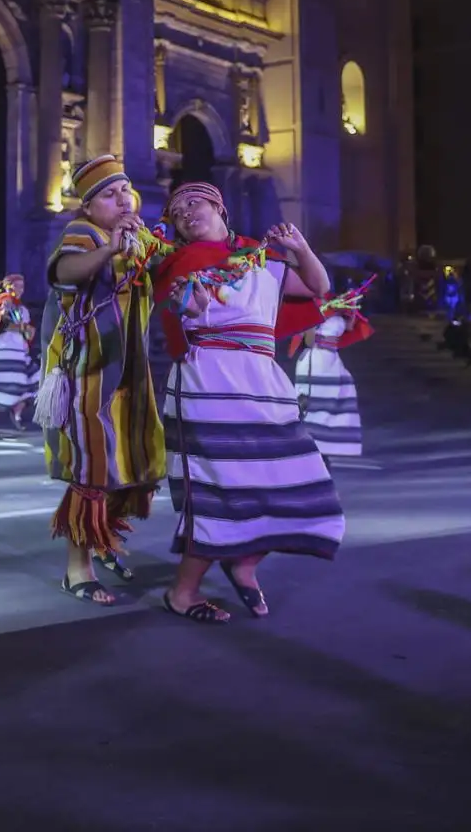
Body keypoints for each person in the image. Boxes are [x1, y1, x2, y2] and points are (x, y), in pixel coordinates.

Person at [153, 182, 343, 623]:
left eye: (193, 203)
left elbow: (318, 285)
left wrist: (301, 248)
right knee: (220, 489)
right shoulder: (181, 262)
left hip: (263, 380)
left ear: (219, 205)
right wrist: (191, 303)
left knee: (286, 480)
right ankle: (182, 593)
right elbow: (180, 307)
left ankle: (245, 562)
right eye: (177, 212)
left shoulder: (261, 257)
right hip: (209, 378)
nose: (186, 213)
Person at [38, 155, 166, 604]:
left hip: (126, 372)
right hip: (87, 375)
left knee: (125, 462)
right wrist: (110, 249)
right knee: (91, 469)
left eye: (125, 191)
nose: (121, 199)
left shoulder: (140, 237)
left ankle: (104, 538)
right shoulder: (83, 233)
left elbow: (169, 267)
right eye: (109, 194)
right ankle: (77, 569)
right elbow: (64, 272)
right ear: (89, 206)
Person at [289, 299, 372, 458]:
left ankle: (328, 444)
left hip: (333, 361)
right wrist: (315, 318)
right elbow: (308, 341)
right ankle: (308, 444)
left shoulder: (337, 309)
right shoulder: (312, 307)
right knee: (310, 405)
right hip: (315, 361)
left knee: (343, 391)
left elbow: (348, 327)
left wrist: (351, 311)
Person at [0, 273, 37, 439]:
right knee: (10, 387)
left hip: (19, 351)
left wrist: (26, 330)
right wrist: (23, 328)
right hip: (6, 350)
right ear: (7, 286)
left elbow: (26, 330)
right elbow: (5, 321)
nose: (20, 289)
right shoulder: (4, 300)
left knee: (37, 380)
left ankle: (16, 412)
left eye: (22, 286)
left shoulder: (22, 308)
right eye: (16, 286)